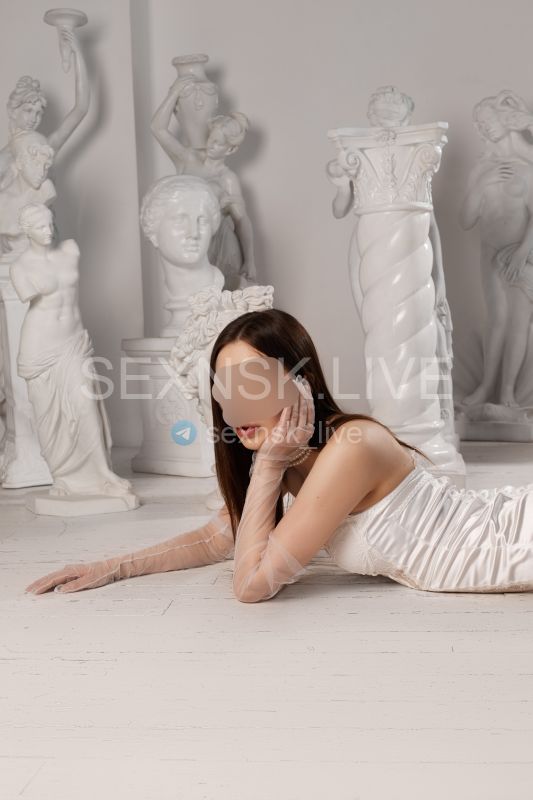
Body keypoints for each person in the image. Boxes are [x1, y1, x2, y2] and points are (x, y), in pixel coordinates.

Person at [25, 309, 533, 601]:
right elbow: (215, 538)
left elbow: (253, 584)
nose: (238, 405)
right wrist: (111, 567)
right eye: (226, 388)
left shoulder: (350, 447)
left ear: (301, 382)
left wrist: (267, 465)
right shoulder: (288, 458)